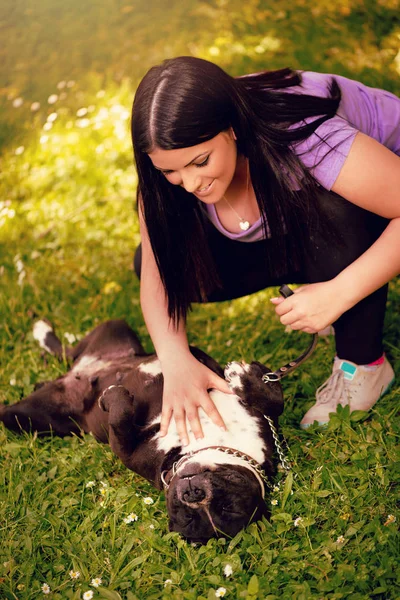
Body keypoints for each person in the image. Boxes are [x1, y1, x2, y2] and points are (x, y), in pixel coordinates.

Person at [131, 56, 399, 441]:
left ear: (232, 129)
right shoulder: (167, 177)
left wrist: (340, 292)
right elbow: (159, 280)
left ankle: (364, 364)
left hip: (377, 203)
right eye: (170, 171)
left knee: (332, 209)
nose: (189, 183)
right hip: (303, 223)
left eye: (200, 161)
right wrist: (175, 362)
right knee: (158, 257)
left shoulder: (302, 134)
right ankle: (325, 281)